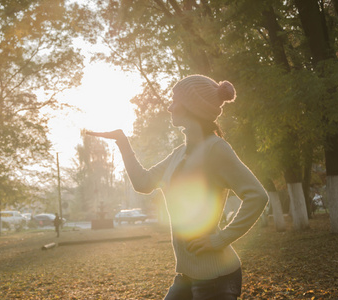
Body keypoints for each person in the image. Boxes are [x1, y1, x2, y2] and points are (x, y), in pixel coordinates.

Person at [87, 74, 268, 300]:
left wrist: (219, 239)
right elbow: (142, 183)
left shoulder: (216, 149)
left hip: (216, 278)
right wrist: (123, 142)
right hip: (187, 275)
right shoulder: (179, 153)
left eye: (175, 101)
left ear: (191, 106)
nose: (170, 108)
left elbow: (257, 196)